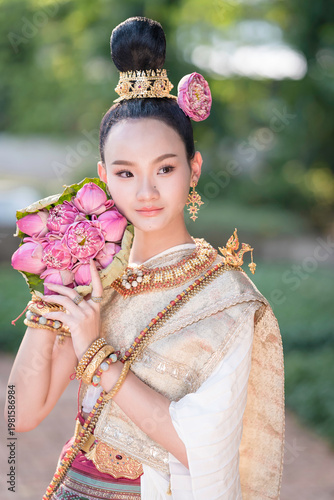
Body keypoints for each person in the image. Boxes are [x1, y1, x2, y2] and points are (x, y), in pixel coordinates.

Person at [5, 16, 285, 500]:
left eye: (166, 168)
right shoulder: (91, 278)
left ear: (194, 169)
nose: (147, 191)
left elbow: (200, 448)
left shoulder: (228, 302)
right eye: (126, 173)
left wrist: (98, 356)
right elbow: (19, 415)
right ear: (102, 176)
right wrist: (50, 284)